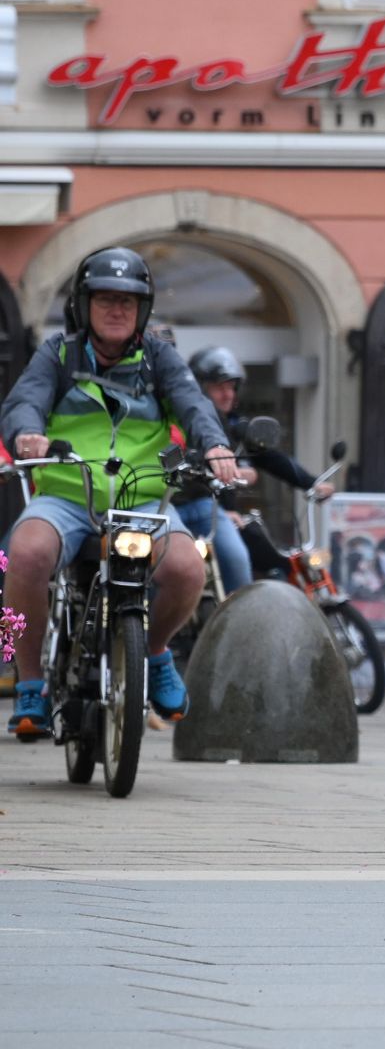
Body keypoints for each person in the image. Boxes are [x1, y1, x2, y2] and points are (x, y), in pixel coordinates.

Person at [1, 246, 239, 738]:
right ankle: (28, 682)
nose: (117, 309)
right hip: (68, 496)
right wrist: (27, 433)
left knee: (188, 569)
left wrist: (215, 445)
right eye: (106, 299)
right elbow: (24, 401)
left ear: (142, 310)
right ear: (84, 305)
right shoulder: (58, 353)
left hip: (143, 499)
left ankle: (155, 653)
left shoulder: (159, 358)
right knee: (24, 554)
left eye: (127, 301)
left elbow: (193, 405)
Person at [176, 346, 338, 594]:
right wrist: (223, 502)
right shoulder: (182, 422)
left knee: (265, 558)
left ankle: (251, 608)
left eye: (232, 387)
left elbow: (270, 457)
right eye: (219, 387)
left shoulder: (234, 426)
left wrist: (311, 483)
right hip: (184, 511)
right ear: (200, 388)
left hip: (216, 513)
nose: (228, 394)